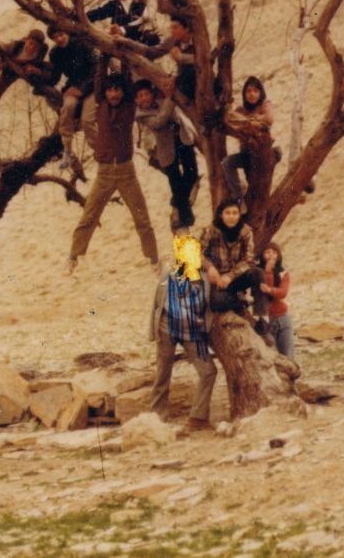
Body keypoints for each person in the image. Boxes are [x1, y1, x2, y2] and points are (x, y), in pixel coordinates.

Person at [67, 70, 160, 275]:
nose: (113, 94)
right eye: (109, 90)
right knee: (89, 216)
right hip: (104, 173)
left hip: (127, 173)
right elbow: (99, 82)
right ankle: (73, 257)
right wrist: (103, 59)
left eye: (116, 90)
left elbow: (127, 82)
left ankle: (154, 259)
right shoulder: (100, 107)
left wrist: (122, 56)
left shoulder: (128, 107)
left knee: (141, 218)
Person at [149, 234, 216, 431]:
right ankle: (156, 418)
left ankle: (198, 417)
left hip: (191, 332)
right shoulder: (171, 273)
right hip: (167, 328)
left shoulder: (204, 277)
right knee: (163, 372)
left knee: (208, 371)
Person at [199, 198, 270, 341]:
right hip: (217, 278)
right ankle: (240, 302)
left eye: (235, 213)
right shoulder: (210, 231)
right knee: (218, 303)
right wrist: (210, 268)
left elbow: (249, 259)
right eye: (228, 213)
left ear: (239, 215)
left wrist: (231, 276)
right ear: (221, 215)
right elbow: (198, 253)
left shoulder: (245, 231)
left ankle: (261, 316)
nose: (231, 217)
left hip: (236, 276)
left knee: (257, 273)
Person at [133, 78, 199, 231]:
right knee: (175, 181)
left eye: (146, 94)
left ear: (152, 94)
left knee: (191, 174)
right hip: (166, 148)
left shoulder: (161, 99)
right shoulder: (141, 114)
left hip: (182, 138)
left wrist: (168, 98)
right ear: (136, 100)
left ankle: (177, 200)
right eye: (140, 96)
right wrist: (170, 99)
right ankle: (185, 215)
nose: (144, 98)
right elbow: (159, 122)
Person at [46, 26, 98, 169]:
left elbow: (96, 69)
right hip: (73, 87)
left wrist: (82, 90)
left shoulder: (83, 45)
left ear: (67, 32)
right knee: (67, 109)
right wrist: (37, 77)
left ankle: (101, 150)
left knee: (87, 120)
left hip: (92, 86)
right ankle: (67, 151)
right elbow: (55, 76)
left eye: (61, 34)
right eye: (55, 37)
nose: (59, 39)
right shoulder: (55, 53)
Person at [0, 30, 50, 118]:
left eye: (36, 47)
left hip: (24, 71)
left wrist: (35, 70)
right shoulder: (15, 46)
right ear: (26, 40)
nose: (31, 48)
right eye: (30, 43)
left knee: (43, 77)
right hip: (10, 69)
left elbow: (40, 65)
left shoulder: (40, 53)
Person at [221, 76, 275, 208]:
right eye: (248, 91)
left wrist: (245, 122)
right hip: (246, 153)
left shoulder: (265, 104)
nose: (252, 94)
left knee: (257, 187)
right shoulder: (241, 110)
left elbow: (269, 119)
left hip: (261, 154)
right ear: (244, 94)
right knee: (227, 163)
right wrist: (254, 122)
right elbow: (230, 119)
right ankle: (238, 200)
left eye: (255, 91)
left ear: (261, 92)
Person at [87, 0, 160, 47]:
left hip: (141, 47)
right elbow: (97, 13)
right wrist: (79, 15)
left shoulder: (141, 2)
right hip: (119, 48)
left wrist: (122, 30)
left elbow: (143, 22)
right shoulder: (113, 5)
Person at [259, 242, 294, 361]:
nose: (271, 255)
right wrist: (268, 272)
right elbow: (263, 292)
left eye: (274, 252)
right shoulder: (257, 272)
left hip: (283, 318)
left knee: (288, 356)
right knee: (271, 358)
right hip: (266, 320)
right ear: (262, 255)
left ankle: (290, 380)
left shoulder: (283, 272)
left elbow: (282, 293)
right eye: (267, 252)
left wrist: (270, 290)